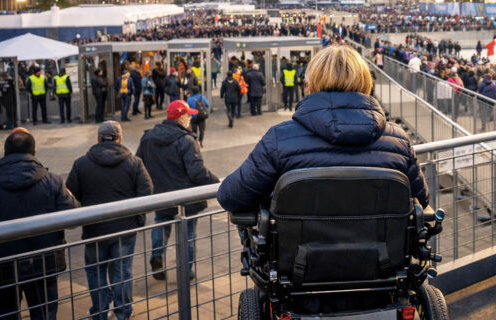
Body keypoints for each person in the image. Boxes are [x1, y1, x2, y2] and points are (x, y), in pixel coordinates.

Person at [218, 43, 429, 212]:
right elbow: (422, 198)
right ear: (365, 83)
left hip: (299, 262)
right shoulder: (398, 141)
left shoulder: (279, 140)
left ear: (311, 84)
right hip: (383, 261)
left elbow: (230, 196)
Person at [66, 121, 153, 320]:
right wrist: (138, 219)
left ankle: (99, 311)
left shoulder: (82, 163)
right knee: (123, 271)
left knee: (95, 272)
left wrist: (83, 216)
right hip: (124, 229)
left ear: (98, 139)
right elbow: (146, 191)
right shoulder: (134, 162)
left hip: (94, 229)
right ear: (120, 139)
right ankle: (123, 312)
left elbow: (71, 195)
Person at [0, 128, 79, 319]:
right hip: (44, 261)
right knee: (44, 313)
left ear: (5, 153)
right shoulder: (53, 181)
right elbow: (73, 216)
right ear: (34, 153)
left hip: (3, 264)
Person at [137, 100, 219, 281]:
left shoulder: (148, 137)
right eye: (188, 115)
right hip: (186, 197)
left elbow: (139, 164)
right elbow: (197, 172)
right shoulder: (186, 140)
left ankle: (157, 256)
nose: (190, 118)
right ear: (181, 117)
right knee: (188, 233)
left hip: (160, 196)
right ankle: (185, 270)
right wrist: (216, 182)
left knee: (161, 224)